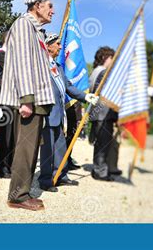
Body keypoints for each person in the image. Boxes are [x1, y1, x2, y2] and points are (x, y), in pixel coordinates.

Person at [0, 0, 56, 211]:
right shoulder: (23, 24)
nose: (53, 10)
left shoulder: (36, 30)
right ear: (36, 6)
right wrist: (26, 99)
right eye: (49, 5)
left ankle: (23, 191)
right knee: (25, 147)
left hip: (37, 98)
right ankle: (17, 196)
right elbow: (23, 63)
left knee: (31, 148)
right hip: (29, 99)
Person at [38, 33, 99, 192]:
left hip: (58, 115)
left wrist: (86, 96)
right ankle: (45, 180)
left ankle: (60, 175)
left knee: (60, 147)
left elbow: (69, 88)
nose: (60, 46)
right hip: (46, 114)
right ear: (48, 45)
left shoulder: (57, 67)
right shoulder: (40, 65)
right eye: (57, 44)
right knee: (47, 149)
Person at [89, 46, 118, 181]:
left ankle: (99, 170)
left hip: (99, 113)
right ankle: (100, 172)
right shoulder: (104, 72)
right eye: (112, 57)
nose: (113, 61)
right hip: (103, 113)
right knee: (103, 144)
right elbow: (105, 94)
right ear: (105, 58)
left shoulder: (96, 71)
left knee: (101, 143)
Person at [0, 35, 14, 178]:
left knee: (11, 134)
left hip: (11, 98)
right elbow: (10, 70)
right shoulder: (1, 54)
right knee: (3, 135)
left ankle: (9, 164)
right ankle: (2, 167)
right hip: (2, 98)